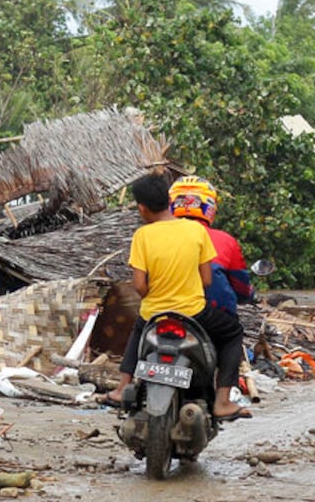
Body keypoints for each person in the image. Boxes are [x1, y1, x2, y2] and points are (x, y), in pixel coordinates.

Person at [107, 173, 253, 419]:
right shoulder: (196, 231)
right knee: (233, 333)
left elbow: (139, 286)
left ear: (142, 208)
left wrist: (156, 295)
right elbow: (206, 279)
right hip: (194, 313)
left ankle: (122, 388)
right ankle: (223, 401)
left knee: (137, 332)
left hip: (154, 313)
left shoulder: (143, 236)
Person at [168, 176, 251, 313]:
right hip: (213, 315)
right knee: (235, 333)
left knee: (137, 332)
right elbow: (241, 286)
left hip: (164, 313)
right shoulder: (226, 240)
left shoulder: (153, 236)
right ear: (210, 206)